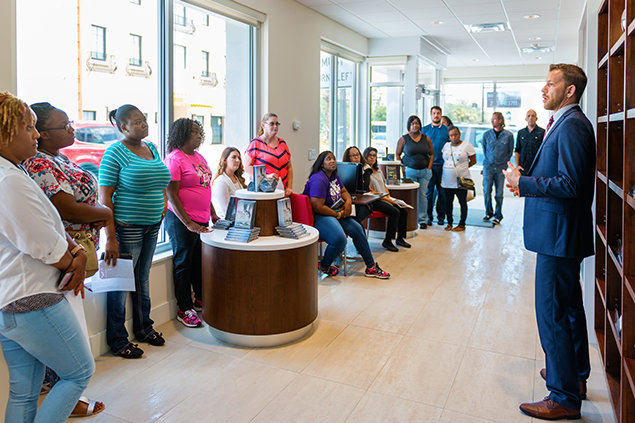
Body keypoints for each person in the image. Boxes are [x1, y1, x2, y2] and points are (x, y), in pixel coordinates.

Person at [503, 64, 594, 421]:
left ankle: (563, 395)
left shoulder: (571, 126)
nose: (543, 89)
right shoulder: (565, 123)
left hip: (559, 236)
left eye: (550, 83)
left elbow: (570, 184)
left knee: (552, 314)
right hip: (561, 234)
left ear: (569, 90)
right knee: (569, 308)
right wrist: (525, 178)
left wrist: (524, 185)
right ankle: (576, 377)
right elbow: (558, 175)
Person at [0, 92, 94, 423]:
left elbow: (48, 223)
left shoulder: (13, 172)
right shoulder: (8, 180)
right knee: (78, 373)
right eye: (29, 128)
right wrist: (75, 260)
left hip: (13, 301)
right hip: (31, 298)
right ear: (5, 131)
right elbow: (41, 243)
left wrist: (78, 249)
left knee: (24, 391)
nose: (36, 135)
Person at [24, 102, 108, 417]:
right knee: (65, 329)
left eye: (71, 123)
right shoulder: (38, 164)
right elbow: (66, 209)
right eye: (64, 125)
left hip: (73, 248)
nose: (72, 128)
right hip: (59, 255)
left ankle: (60, 389)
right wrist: (106, 213)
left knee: (71, 319)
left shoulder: (56, 159)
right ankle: (66, 395)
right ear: (42, 133)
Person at [99, 104, 172, 358]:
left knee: (142, 278)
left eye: (144, 119)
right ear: (122, 127)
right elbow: (104, 199)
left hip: (153, 224)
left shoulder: (151, 148)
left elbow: (160, 179)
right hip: (127, 227)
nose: (144, 124)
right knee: (120, 284)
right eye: (137, 121)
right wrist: (109, 237)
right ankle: (118, 340)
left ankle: (144, 328)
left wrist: (162, 203)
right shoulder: (114, 153)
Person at [164, 118, 218, 328]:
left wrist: (212, 213)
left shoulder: (199, 157)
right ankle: (184, 308)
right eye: (194, 132)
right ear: (183, 134)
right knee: (183, 263)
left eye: (199, 132)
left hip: (201, 219)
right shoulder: (175, 159)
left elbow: (204, 188)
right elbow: (171, 194)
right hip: (181, 220)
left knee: (198, 262)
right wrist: (188, 223)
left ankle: (199, 300)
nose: (198, 135)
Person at [303, 151, 389, 279]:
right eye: (328, 159)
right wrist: (338, 215)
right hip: (319, 216)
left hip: (334, 212)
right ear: (321, 164)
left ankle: (371, 267)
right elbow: (318, 207)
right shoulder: (318, 179)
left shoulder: (333, 176)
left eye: (333, 159)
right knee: (340, 239)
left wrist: (348, 201)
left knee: (358, 229)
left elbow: (344, 191)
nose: (332, 161)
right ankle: (324, 265)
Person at [363, 147, 410, 250]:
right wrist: (385, 199)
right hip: (375, 200)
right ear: (365, 156)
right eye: (370, 155)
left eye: (374, 155)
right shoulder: (365, 171)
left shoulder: (378, 170)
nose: (372, 158)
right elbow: (369, 190)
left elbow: (383, 185)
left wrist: (389, 197)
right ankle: (388, 241)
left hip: (384, 198)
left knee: (403, 211)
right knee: (395, 212)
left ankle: (400, 239)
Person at [396, 115, 434, 229]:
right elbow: (398, 154)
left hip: (424, 172)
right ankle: (410, 219)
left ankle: (423, 220)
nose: (415, 125)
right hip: (410, 171)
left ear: (420, 125)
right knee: (411, 196)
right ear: (409, 126)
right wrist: (402, 168)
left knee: (422, 195)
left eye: (417, 123)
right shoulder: (403, 139)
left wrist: (429, 168)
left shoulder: (426, 138)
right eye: (412, 123)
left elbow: (431, 154)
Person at [244, 112, 293, 196]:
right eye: (272, 124)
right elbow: (247, 167)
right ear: (263, 125)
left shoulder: (282, 143)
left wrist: (289, 187)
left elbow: (289, 167)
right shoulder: (256, 143)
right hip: (263, 192)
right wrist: (265, 176)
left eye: (277, 124)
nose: (275, 126)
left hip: (283, 192)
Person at [440, 126, 476, 232]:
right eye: (451, 135)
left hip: (461, 181)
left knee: (462, 202)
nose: (454, 137)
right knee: (448, 202)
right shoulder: (446, 146)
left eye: (455, 134)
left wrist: (463, 168)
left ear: (459, 134)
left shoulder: (467, 146)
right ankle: (449, 223)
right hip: (446, 180)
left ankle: (462, 224)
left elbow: (473, 161)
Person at [481, 111, 514, 225]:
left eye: (494, 119)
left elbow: (510, 152)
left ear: (500, 121)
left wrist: (503, 162)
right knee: (486, 191)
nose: (492, 121)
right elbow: (485, 150)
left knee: (499, 193)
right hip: (488, 167)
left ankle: (498, 215)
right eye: (492, 119)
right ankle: (488, 212)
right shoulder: (486, 135)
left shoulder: (509, 135)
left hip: (501, 168)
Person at [422, 107, 449, 226]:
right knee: (428, 192)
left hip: (443, 166)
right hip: (429, 166)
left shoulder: (446, 130)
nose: (436, 115)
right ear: (430, 115)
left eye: (438, 113)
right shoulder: (425, 130)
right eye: (434, 113)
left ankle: (441, 217)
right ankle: (428, 216)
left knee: (442, 192)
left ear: (441, 114)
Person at [211, 147, 247, 218]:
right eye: (233, 157)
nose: (237, 160)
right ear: (225, 160)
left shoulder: (237, 179)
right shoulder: (220, 182)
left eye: (239, 158)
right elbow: (226, 212)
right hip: (225, 223)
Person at [341, 145, 372, 223]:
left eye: (358, 155)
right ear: (348, 157)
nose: (356, 157)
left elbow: (364, 187)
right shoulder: (345, 169)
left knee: (357, 218)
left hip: (365, 199)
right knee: (352, 218)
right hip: (350, 198)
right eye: (353, 155)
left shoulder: (365, 168)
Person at [515, 109, 545, 175]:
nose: (530, 118)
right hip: (522, 168)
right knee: (522, 185)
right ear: (525, 118)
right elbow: (517, 150)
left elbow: (544, 151)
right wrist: (517, 166)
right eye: (528, 116)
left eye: (533, 116)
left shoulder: (542, 132)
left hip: (536, 168)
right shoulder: (521, 132)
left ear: (536, 118)